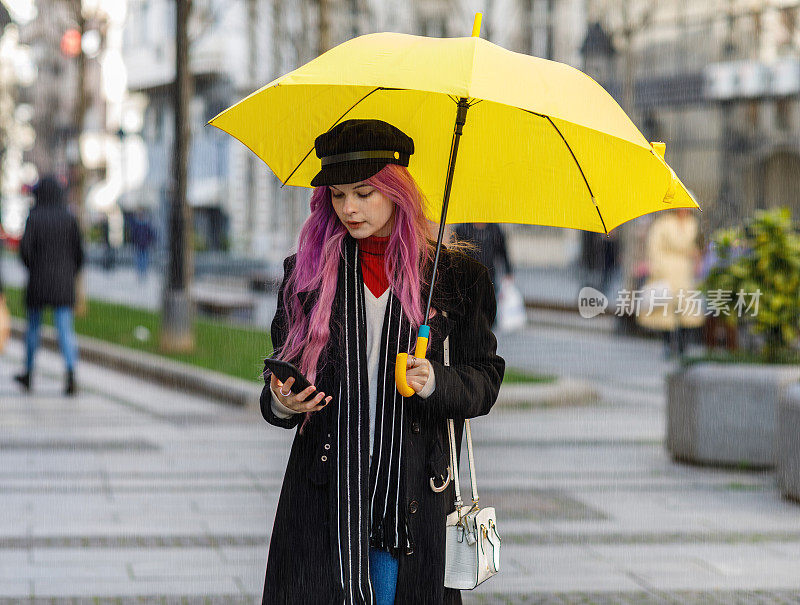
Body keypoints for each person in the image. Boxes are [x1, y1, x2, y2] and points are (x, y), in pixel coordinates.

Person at [260, 119, 505, 605]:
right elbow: (276, 393)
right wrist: (285, 401)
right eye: (336, 195)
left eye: (364, 193)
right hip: (325, 501)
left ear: (397, 191)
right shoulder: (306, 275)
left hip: (409, 502)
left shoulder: (455, 279)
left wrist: (438, 381)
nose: (348, 208)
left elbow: (486, 380)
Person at [14, 176, 84, 395]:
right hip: (63, 283)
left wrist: (34, 267)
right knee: (65, 329)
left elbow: (24, 250)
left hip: (38, 281)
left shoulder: (34, 217)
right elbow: (79, 253)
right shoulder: (68, 218)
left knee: (33, 328)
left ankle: (28, 371)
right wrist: (70, 271)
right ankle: (71, 371)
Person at [636, 208, 704, 358]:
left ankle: (683, 345)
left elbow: (694, 246)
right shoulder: (663, 223)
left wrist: (696, 257)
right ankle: (668, 344)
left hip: (684, 269)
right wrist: (658, 267)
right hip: (666, 269)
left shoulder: (692, 223)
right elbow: (654, 246)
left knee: (687, 310)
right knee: (665, 311)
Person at [452, 222, 512, 286]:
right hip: (467, 276)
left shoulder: (494, 229)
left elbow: (502, 251)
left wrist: (508, 271)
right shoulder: (462, 228)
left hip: (489, 275)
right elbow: (455, 252)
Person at [130, 209, 156, 281]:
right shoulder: (137, 225)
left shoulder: (146, 225)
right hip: (138, 246)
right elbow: (133, 236)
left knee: (144, 260)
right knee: (139, 261)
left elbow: (151, 235)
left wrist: (151, 242)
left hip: (145, 246)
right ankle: (140, 274)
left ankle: (144, 274)